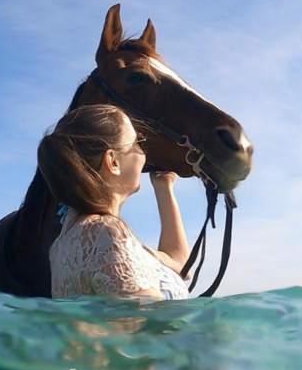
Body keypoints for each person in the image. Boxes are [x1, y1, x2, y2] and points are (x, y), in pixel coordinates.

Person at [37, 104, 190, 300]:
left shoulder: (64, 244)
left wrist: (163, 187)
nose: (143, 154)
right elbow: (150, 323)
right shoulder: (107, 233)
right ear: (113, 161)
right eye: (137, 143)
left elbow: (180, 265)